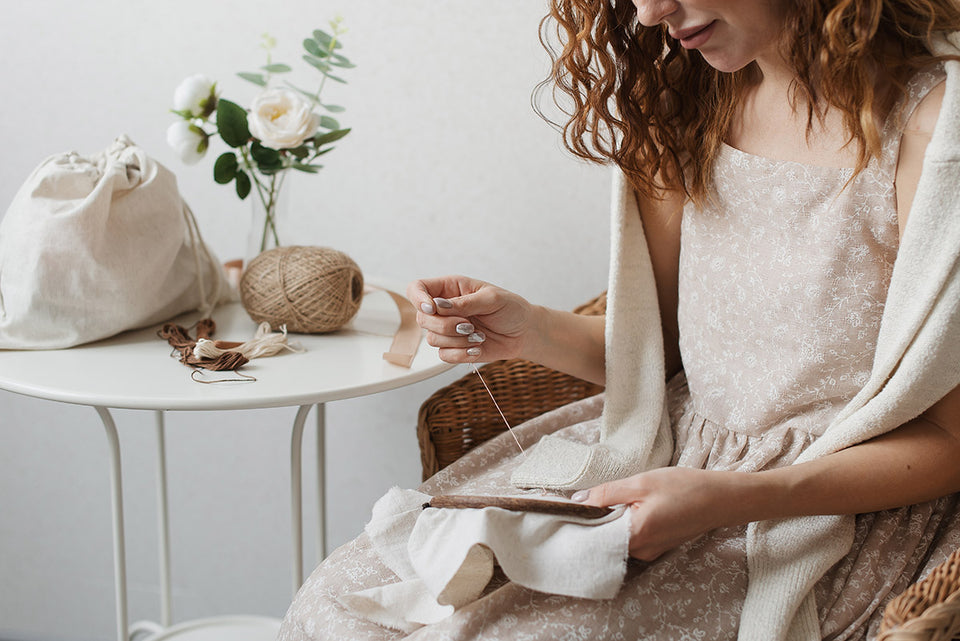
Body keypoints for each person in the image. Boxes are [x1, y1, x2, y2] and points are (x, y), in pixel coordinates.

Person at [279, 0, 960, 639]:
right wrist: (532, 329)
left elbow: (946, 439)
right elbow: (655, 356)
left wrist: (732, 497)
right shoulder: (688, 105)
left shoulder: (932, 133)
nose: (651, 13)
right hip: (664, 463)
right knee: (337, 603)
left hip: (821, 507)